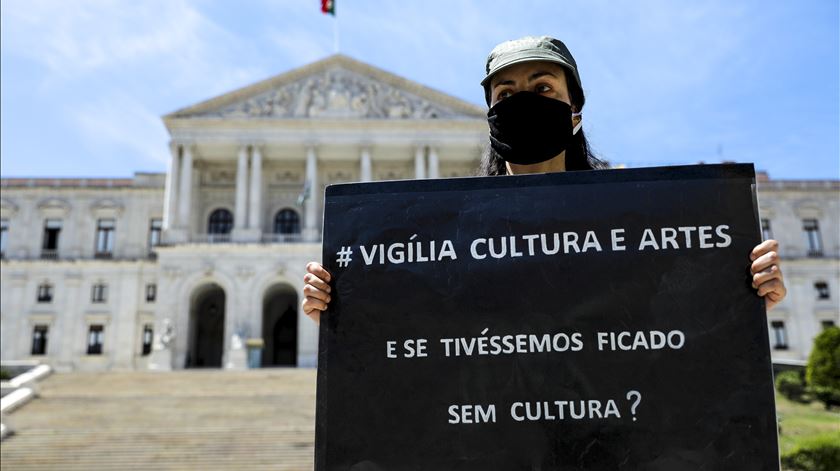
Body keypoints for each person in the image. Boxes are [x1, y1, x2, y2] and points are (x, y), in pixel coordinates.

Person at [301, 36, 787, 324]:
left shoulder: (631, 218)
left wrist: (741, 299)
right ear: (491, 116)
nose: (522, 101)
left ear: (573, 110)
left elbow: (668, 325)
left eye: (542, 88)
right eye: (505, 93)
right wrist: (347, 310)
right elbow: (420, 329)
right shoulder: (451, 231)